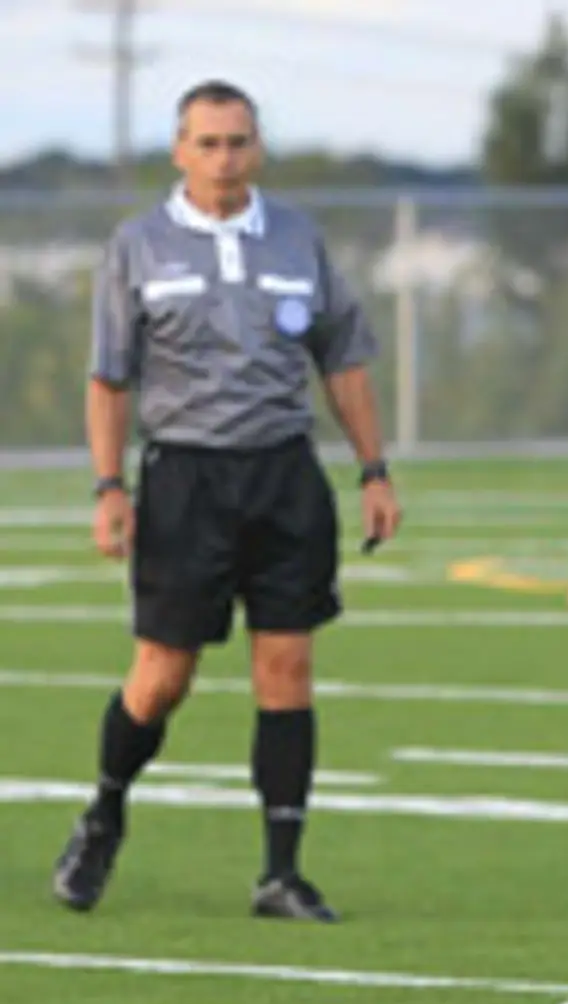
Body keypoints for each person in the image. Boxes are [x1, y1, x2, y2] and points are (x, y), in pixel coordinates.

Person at [51, 81, 399, 922]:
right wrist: (108, 489)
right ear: (179, 151)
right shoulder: (137, 245)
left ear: (259, 149)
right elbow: (108, 380)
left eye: (238, 141)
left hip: (284, 475)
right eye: (207, 143)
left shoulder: (297, 236)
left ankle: (281, 873)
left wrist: (375, 469)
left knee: (287, 668)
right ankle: (103, 814)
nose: (224, 159)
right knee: (163, 677)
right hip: (185, 482)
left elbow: (342, 361)